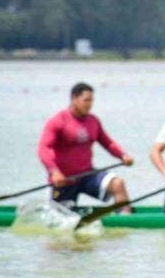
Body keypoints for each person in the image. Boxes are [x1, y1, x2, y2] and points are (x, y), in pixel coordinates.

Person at [38, 82, 134, 212]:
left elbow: (108, 143)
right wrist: (54, 172)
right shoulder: (58, 121)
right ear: (74, 99)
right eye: (86, 100)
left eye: (92, 100)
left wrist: (123, 155)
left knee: (117, 184)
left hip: (88, 175)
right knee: (60, 218)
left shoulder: (93, 121)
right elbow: (43, 149)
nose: (89, 104)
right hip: (64, 180)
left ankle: (125, 221)